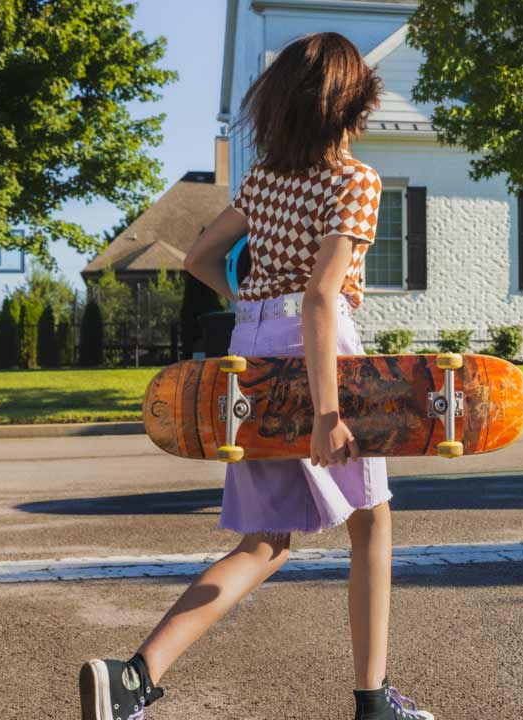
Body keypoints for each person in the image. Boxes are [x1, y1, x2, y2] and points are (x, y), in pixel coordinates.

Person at [77, 33, 433, 720]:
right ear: (352, 105)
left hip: (254, 349)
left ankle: (132, 679)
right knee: (371, 521)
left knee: (266, 543)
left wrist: (250, 303)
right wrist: (329, 414)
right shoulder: (354, 181)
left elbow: (200, 258)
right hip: (319, 350)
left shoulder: (264, 179)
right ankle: (373, 701)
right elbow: (323, 298)